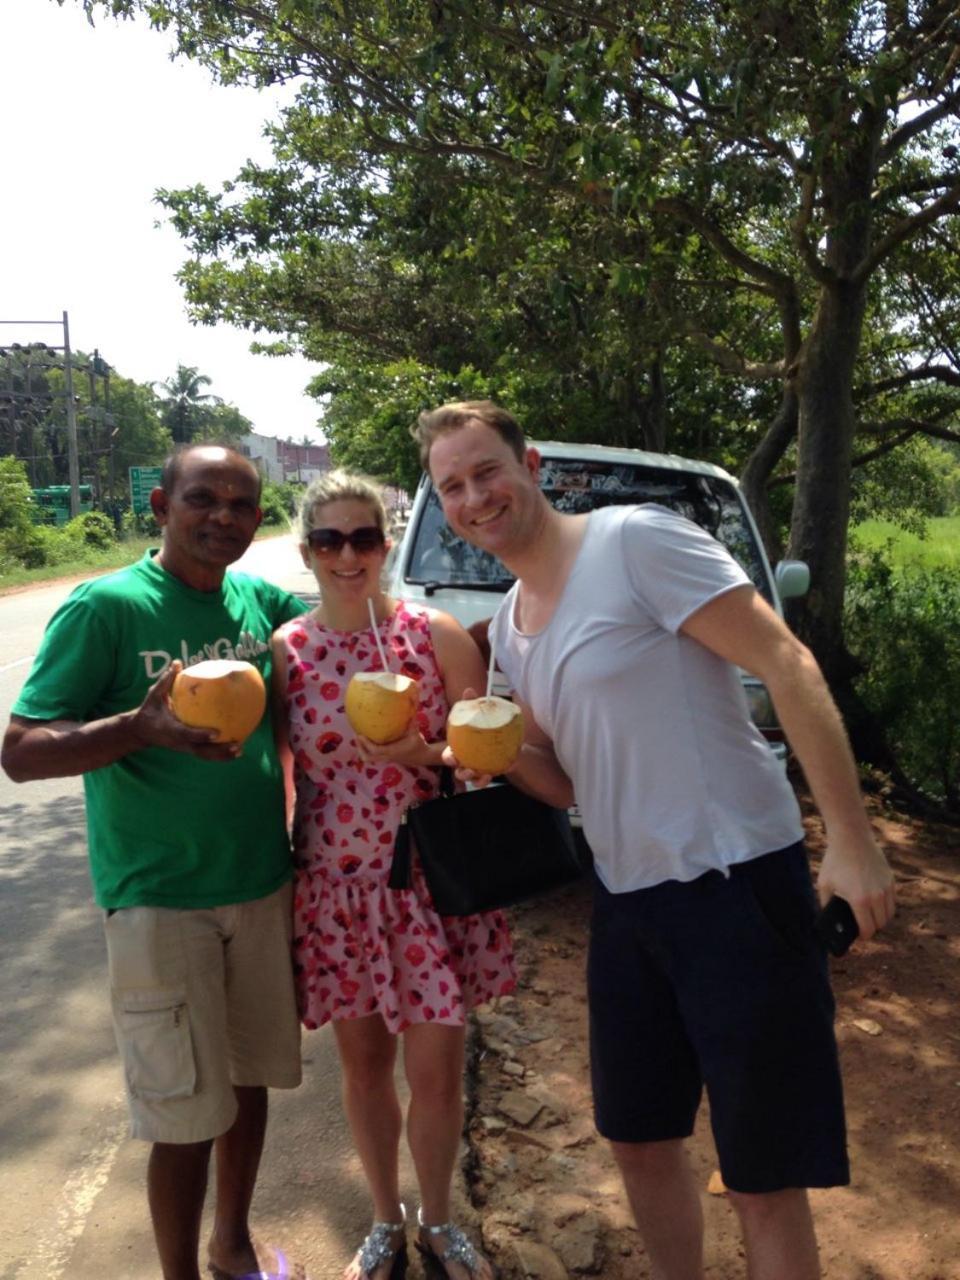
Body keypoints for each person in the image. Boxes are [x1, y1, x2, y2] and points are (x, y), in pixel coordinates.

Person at [412, 401, 897, 1280]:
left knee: (762, 1177)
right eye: (453, 486)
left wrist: (853, 842)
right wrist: (482, 753)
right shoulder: (514, 626)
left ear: (531, 465)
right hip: (628, 899)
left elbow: (785, 663)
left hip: (737, 883)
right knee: (637, 1138)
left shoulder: (633, 542)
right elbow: (567, 783)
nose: (475, 496)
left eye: (487, 471)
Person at [1, 444, 307, 1280]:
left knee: (248, 1087)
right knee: (182, 1115)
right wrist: (137, 728)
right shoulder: (105, 607)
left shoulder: (255, 599)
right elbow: (22, 750)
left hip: (259, 883)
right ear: (160, 506)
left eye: (242, 504)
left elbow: (338, 622)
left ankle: (232, 1246)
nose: (224, 517)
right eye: (202, 499)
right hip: (158, 900)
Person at [271, 470, 514, 1280]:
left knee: (437, 1072)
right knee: (365, 1070)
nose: (350, 555)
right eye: (331, 540)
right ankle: (384, 1218)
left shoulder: (432, 634)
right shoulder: (289, 652)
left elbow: (488, 750)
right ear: (308, 551)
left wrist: (423, 752)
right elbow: (278, 773)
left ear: (386, 544)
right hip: (337, 893)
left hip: (427, 884)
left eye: (365, 538)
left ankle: (438, 1219)